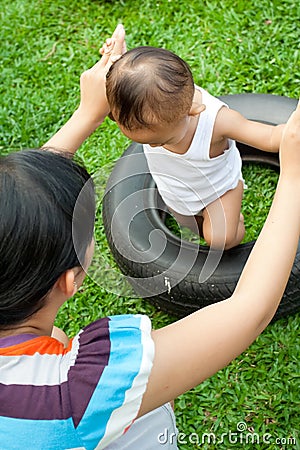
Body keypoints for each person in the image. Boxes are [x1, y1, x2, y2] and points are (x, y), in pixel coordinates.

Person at [0, 24, 299, 449]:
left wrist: (88, 113)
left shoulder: (212, 120)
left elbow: (14, 203)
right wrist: (295, 175)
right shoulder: (77, 389)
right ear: (71, 278)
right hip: (182, 194)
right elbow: (247, 310)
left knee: (223, 237)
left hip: (214, 191)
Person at [105, 46, 285, 250]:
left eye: (161, 142)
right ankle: (203, 218)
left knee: (221, 240)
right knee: (190, 224)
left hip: (219, 189)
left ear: (192, 111)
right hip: (175, 189)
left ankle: (235, 222)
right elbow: (130, 80)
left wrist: (292, 132)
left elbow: (269, 137)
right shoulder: (153, 106)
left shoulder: (217, 122)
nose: (153, 146)